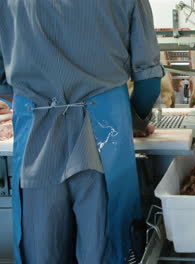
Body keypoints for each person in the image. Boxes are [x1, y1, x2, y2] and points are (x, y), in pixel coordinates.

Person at [0, 1, 164, 263]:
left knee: (41, 248)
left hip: (35, 131)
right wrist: (134, 123)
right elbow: (149, 84)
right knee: (106, 246)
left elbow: (2, 81)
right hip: (103, 131)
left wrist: (39, 99)